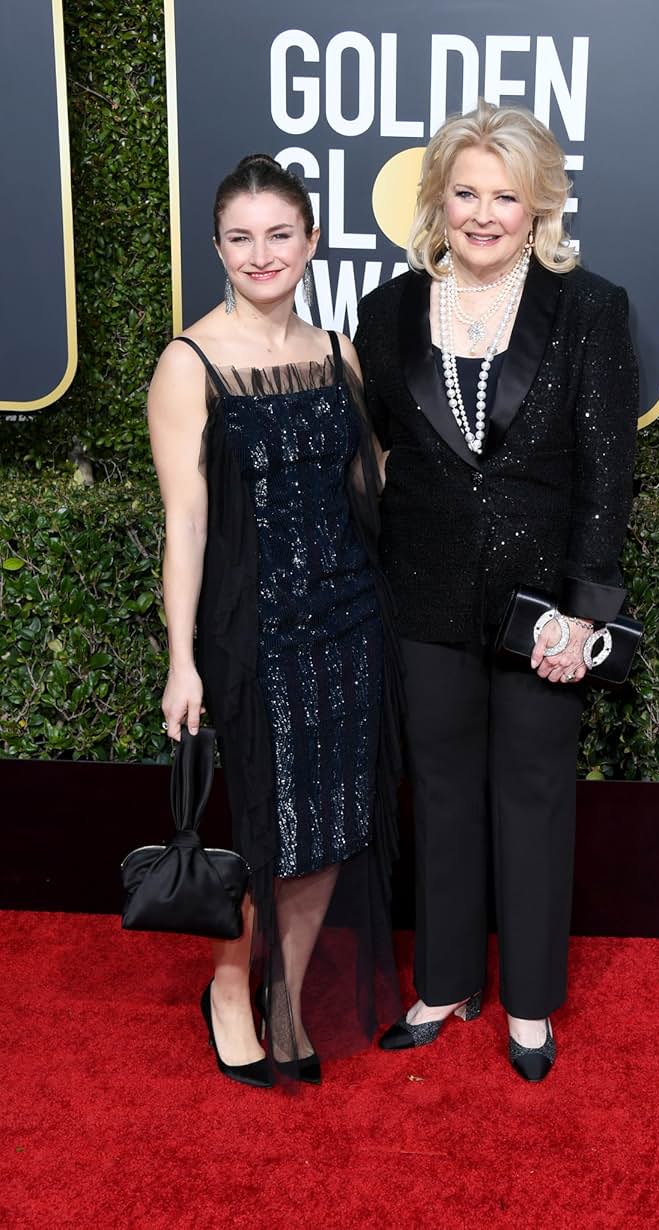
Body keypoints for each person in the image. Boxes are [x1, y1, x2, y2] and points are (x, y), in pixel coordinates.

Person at [354, 101, 639, 1082]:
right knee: (438, 791)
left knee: (531, 793)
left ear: (538, 205)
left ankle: (527, 1003)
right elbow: (386, 452)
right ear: (437, 197)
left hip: (541, 614)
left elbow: (608, 473)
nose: (482, 214)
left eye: (503, 196)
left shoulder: (590, 309)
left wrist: (583, 608)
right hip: (423, 592)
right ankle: (443, 981)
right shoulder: (385, 312)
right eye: (465, 191)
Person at [148, 154, 400, 1089]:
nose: (262, 255)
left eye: (279, 235)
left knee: (330, 820)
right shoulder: (190, 364)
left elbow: (372, 482)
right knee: (262, 826)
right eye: (241, 238)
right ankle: (226, 988)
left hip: (347, 620)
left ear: (311, 242)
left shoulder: (340, 354)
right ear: (217, 247)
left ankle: (287, 995)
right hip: (251, 630)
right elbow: (186, 522)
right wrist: (183, 660)